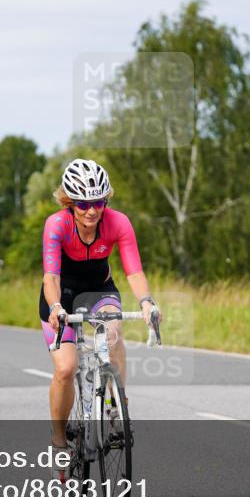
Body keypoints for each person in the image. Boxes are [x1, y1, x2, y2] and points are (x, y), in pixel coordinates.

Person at [40, 159, 162, 471]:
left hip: (100, 289)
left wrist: (146, 302)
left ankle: (117, 406)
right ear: (69, 202)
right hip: (62, 295)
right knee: (66, 368)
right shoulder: (57, 224)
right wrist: (56, 307)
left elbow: (133, 270)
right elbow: (51, 277)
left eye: (98, 202)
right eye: (83, 204)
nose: (92, 211)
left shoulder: (118, 222)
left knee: (113, 333)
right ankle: (59, 440)